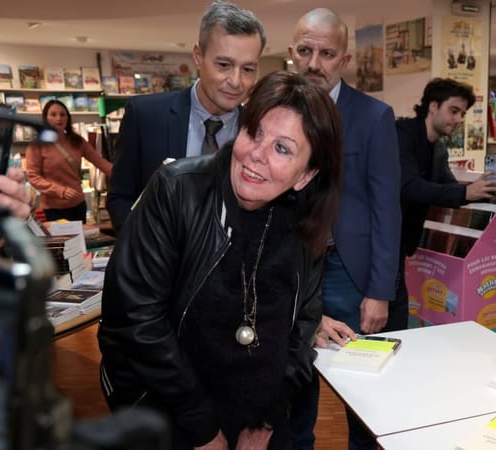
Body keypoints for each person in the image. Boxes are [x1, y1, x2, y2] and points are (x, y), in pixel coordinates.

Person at [97, 71, 342, 450]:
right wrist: (202, 428)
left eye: (282, 148)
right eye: (254, 132)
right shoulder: (175, 190)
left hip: (260, 419)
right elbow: (135, 320)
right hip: (170, 411)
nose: (256, 154)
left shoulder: (305, 223)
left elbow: (303, 324)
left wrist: (266, 419)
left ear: (305, 176)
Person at [286, 8, 401, 450]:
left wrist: (379, 290)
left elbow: (386, 210)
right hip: (294, 270)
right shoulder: (278, 113)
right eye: (305, 50)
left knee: (362, 398)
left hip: (349, 274)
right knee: (295, 393)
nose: (315, 63)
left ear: (345, 58)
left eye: (327, 53)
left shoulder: (374, 117)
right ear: (292, 52)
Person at [106, 0, 265, 234]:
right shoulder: (145, 116)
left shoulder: (259, 131)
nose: (236, 81)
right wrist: (145, 250)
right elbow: (120, 198)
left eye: (248, 69)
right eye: (223, 65)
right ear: (198, 56)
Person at [395, 77, 496, 328]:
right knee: (388, 313)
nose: (458, 119)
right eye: (453, 111)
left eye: (462, 114)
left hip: (402, 243)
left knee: (398, 312)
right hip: (382, 242)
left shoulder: (438, 149)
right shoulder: (401, 136)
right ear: (433, 106)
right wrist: (466, 193)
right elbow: (409, 186)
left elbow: (447, 187)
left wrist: (485, 187)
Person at [25, 99, 111, 223]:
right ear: (45, 118)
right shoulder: (36, 146)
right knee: (59, 242)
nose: (59, 118)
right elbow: (33, 177)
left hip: (78, 206)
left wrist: (124, 175)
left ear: (68, 118)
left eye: (63, 114)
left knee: (79, 241)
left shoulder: (77, 141)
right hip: (53, 209)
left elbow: (101, 162)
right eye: (53, 114)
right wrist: (60, 191)